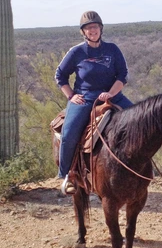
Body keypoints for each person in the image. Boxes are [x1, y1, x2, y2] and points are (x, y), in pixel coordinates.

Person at [55, 11, 133, 194]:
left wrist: (111, 93)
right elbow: (60, 75)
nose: (93, 30)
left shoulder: (112, 49)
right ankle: (68, 174)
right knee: (70, 132)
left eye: (95, 27)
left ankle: (144, 168)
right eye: (89, 28)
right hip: (85, 97)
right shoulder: (77, 52)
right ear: (83, 32)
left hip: (112, 95)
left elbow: (123, 74)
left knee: (142, 122)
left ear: (101, 29)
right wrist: (71, 95)